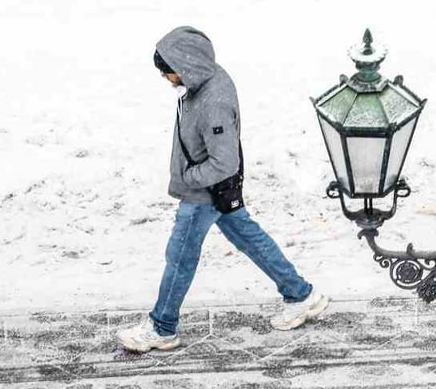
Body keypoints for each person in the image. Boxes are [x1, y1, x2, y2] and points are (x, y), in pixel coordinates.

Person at [118, 26, 327, 353]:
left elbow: (224, 162)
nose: (167, 79)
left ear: (187, 64)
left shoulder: (212, 102)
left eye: (169, 72)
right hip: (214, 190)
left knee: (180, 257)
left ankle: (162, 327)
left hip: (204, 193)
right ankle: (301, 295)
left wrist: (188, 179)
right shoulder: (202, 81)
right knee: (250, 239)